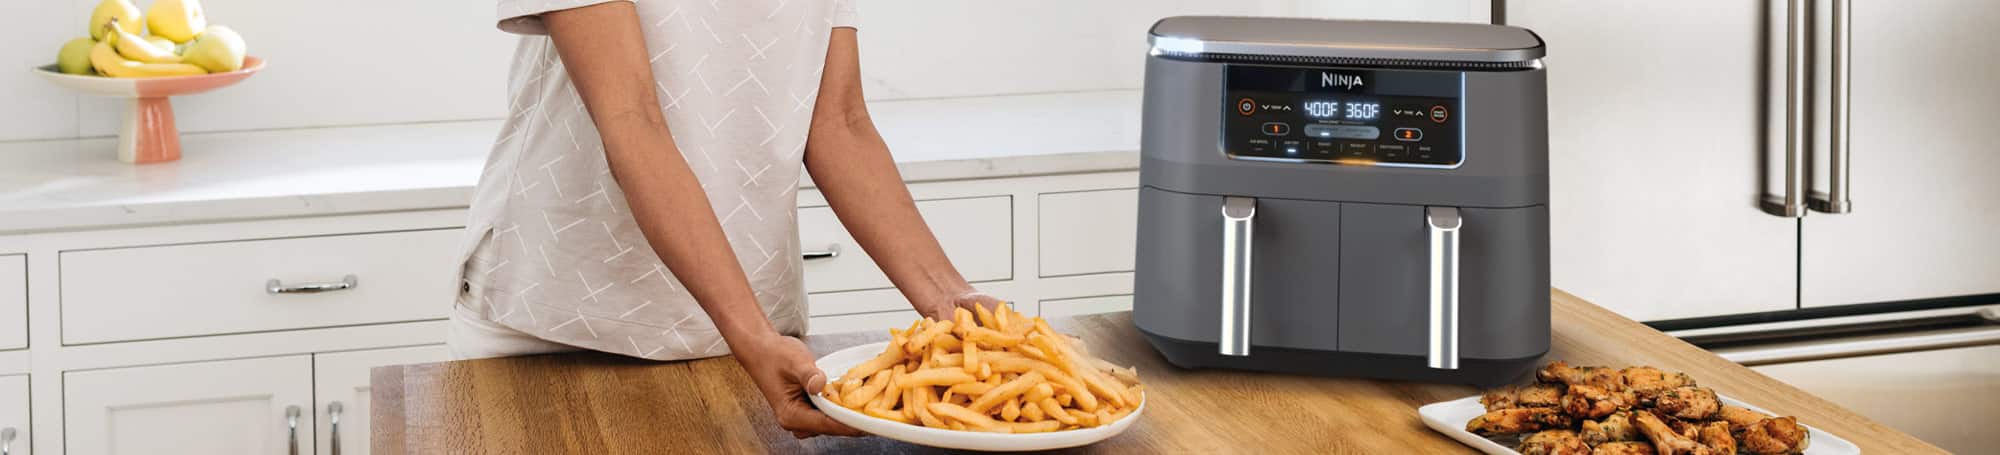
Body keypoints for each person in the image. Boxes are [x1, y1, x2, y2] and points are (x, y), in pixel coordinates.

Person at [451, 0, 1004, 438]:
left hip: (748, 345)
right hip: (560, 326)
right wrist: (752, 333)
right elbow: (631, 121)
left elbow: (840, 121)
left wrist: (947, 298)